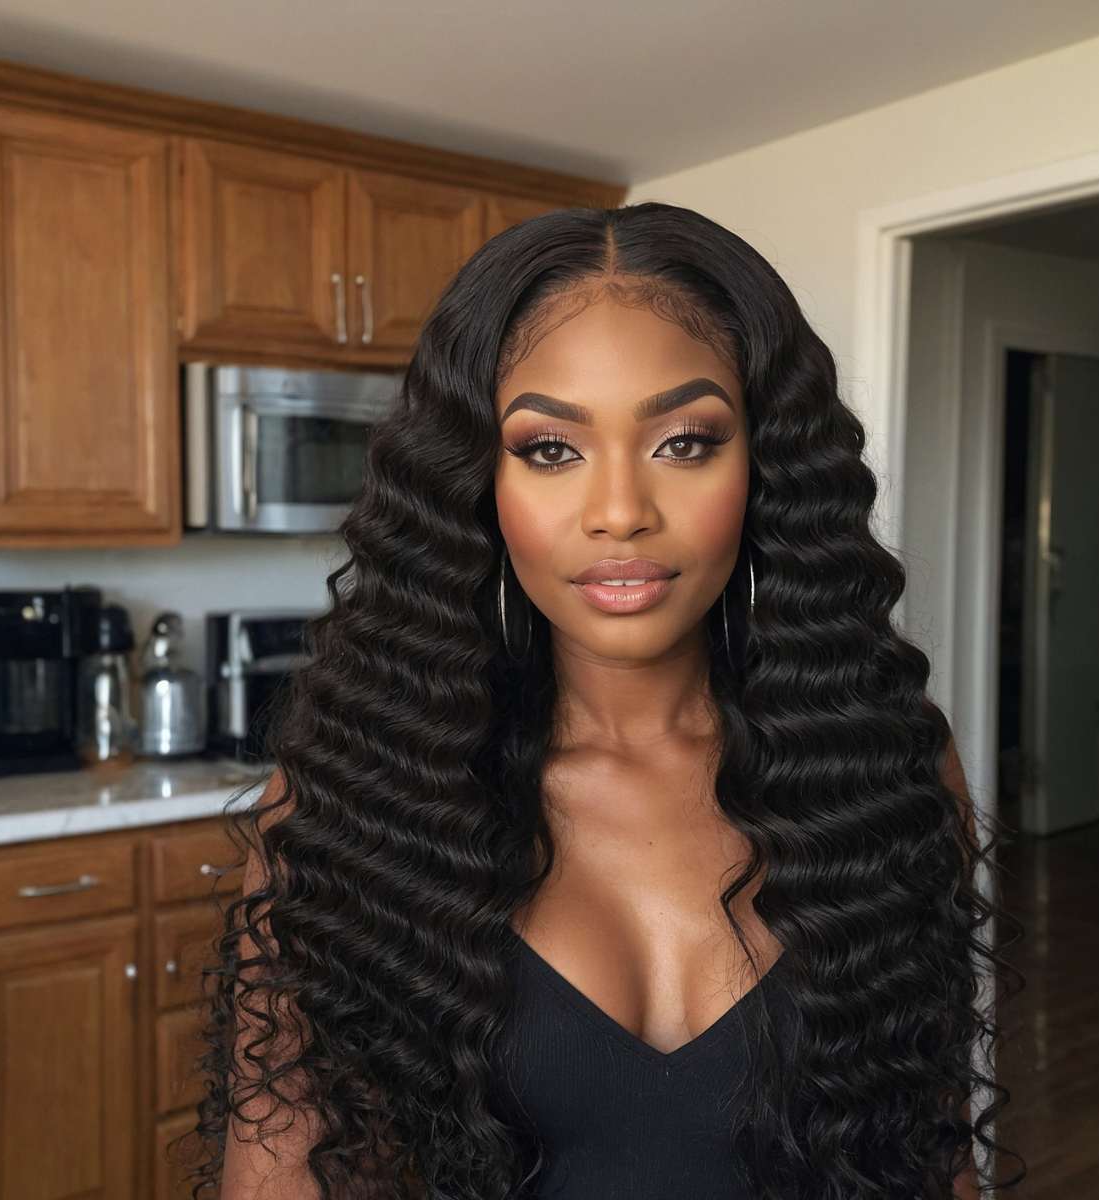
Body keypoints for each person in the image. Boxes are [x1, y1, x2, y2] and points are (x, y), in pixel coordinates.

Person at [184, 203, 1024, 1199]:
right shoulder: (356, 800)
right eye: (550, 449)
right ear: (475, 482)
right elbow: (280, 1178)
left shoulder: (885, 766)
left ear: (764, 466)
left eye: (684, 441)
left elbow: (933, 1158)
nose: (620, 510)